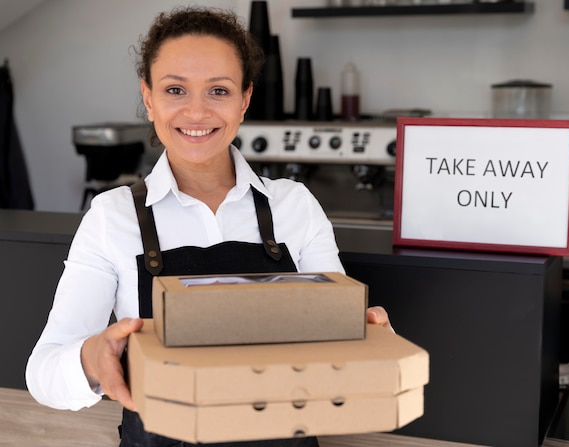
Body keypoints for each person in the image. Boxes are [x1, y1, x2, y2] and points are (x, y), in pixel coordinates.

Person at [25, 6, 393, 447]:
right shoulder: (112, 217)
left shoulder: (294, 207)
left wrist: (365, 344)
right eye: (175, 89)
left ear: (244, 100)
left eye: (218, 90)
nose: (196, 112)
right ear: (148, 97)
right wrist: (90, 358)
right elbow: (43, 372)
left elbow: (334, 342)